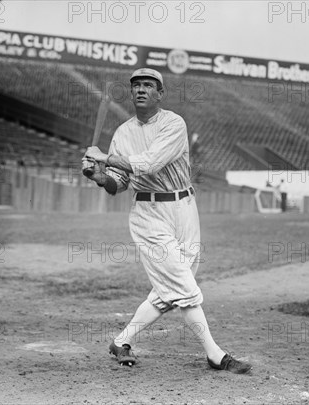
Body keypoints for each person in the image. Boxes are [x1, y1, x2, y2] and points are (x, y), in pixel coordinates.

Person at [82, 68, 252, 374]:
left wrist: (104, 157)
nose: (141, 90)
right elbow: (118, 184)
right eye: (136, 86)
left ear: (160, 94)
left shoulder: (174, 124)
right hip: (149, 216)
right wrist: (99, 176)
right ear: (131, 93)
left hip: (184, 209)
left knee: (169, 288)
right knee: (183, 287)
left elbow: (149, 164)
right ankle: (215, 355)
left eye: (149, 86)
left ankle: (122, 341)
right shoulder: (123, 133)